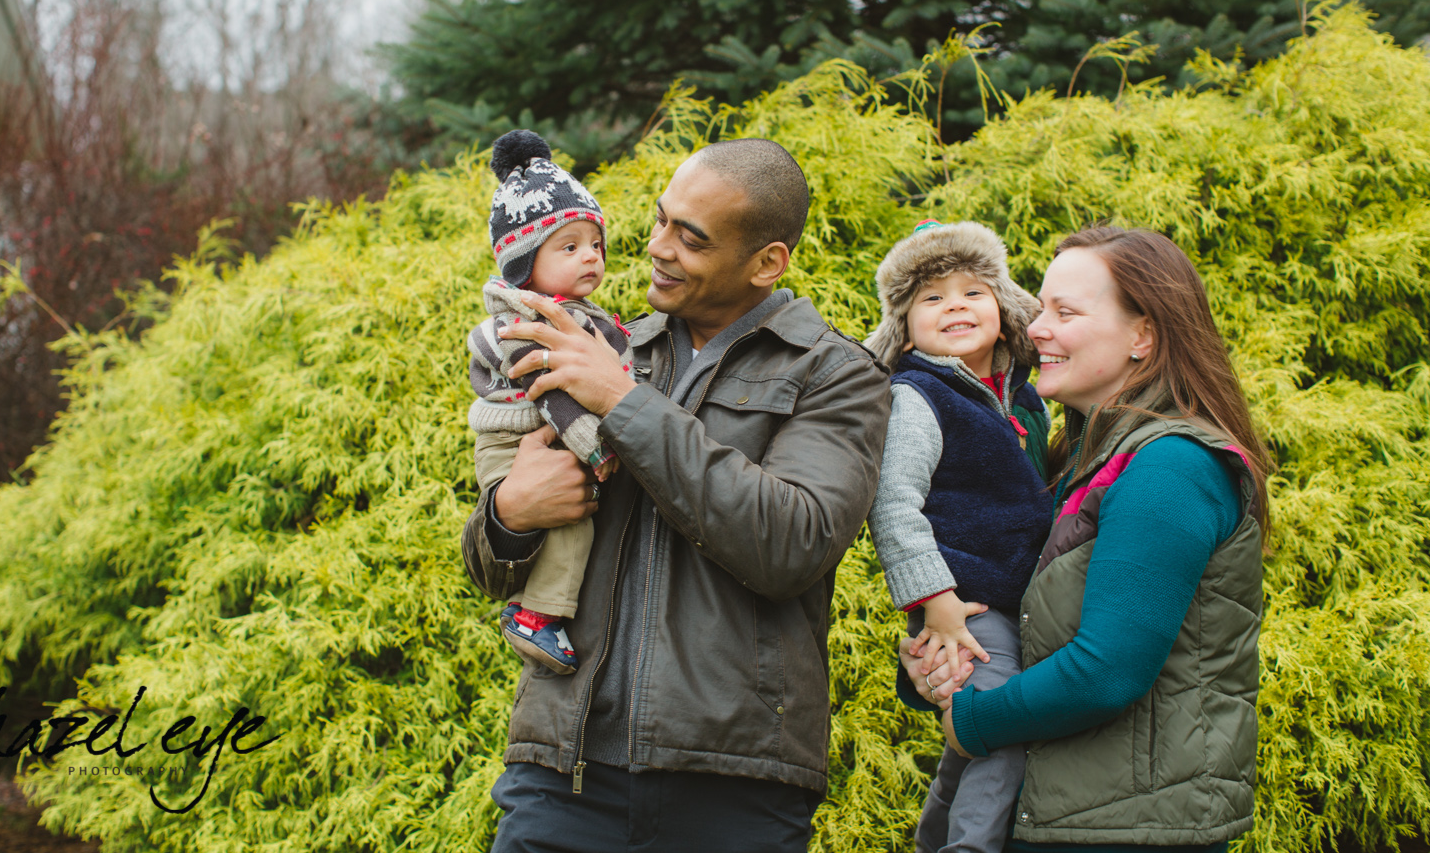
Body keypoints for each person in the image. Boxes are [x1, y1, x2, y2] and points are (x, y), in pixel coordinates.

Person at [460, 138, 892, 853]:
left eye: (689, 238)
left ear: (766, 262)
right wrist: (510, 516)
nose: (657, 247)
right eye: (660, 221)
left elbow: (791, 543)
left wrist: (622, 403)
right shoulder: (608, 344)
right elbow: (490, 570)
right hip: (561, 774)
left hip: (734, 786)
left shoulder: (837, 376)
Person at [910, 225, 1273, 852]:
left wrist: (973, 719)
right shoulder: (1081, 461)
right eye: (1040, 307)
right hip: (1074, 815)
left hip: (1127, 830)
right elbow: (1029, 628)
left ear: (1144, 335)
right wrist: (947, 660)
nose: (1035, 328)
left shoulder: (1171, 467)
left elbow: (1107, 671)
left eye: (1064, 312)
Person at [862, 219, 1053, 853]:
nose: (956, 308)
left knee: (966, 741)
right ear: (903, 325)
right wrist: (934, 602)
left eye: (973, 292)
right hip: (963, 600)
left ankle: (933, 841)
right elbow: (892, 505)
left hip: (1009, 598)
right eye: (932, 298)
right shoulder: (918, 396)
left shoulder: (1023, 399)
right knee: (1000, 732)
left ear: (1003, 304)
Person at [466, 129, 632, 674]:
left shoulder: (577, 316)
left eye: (595, 245)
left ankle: (541, 612)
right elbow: (553, 390)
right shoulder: (521, 325)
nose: (590, 258)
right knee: (571, 523)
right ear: (522, 264)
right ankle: (535, 616)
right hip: (515, 443)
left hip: (544, 437)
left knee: (575, 513)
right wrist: (595, 448)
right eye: (569, 246)